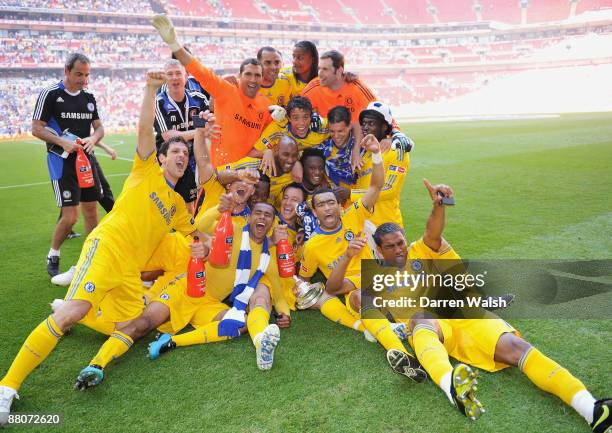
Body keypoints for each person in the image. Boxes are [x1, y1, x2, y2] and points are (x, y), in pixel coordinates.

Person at [0, 71, 200, 423]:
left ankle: (87, 309)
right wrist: (150, 89)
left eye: (186, 153)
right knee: (69, 315)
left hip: (129, 273)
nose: (182, 157)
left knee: (130, 327)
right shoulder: (144, 171)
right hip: (107, 247)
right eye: (176, 152)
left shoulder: (177, 206)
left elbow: (195, 234)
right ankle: (7, 387)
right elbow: (143, 132)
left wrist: (209, 236)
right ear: (162, 158)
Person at [370, 184, 612, 431]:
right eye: (390, 246)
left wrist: (439, 205)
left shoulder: (419, 251)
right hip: (431, 328)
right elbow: (367, 315)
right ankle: (451, 388)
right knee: (421, 317)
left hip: (464, 314)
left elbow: (433, 232)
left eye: (400, 242)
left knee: (518, 348)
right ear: (379, 249)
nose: (399, 249)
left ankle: (592, 410)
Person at [152, 14, 273, 167]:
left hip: (248, 171)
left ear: (262, 79)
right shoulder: (226, 91)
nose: (253, 79)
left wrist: (268, 150)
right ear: (239, 76)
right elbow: (200, 71)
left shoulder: (266, 104)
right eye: (248, 74)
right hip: (214, 170)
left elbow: (275, 132)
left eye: (257, 75)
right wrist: (174, 44)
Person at [31, 52, 105, 277]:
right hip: (61, 161)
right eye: (79, 74)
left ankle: (90, 258)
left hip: (85, 160)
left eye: (87, 75)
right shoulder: (50, 94)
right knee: (71, 216)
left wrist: (94, 139)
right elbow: (37, 128)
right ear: (66, 71)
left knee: (92, 211)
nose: (83, 80)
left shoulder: (89, 97)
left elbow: (100, 128)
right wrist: (62, 142)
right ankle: (53, 254)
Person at [154, 59, 210, 212]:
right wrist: (200, 130)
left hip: (193, 156)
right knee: (165, 203)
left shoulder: (198, 99)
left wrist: (206, 125)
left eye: (178, 73)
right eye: (170, 74)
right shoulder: (158, 102)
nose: (174, 77)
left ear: (186, 76)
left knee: (189, 206)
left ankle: (187, 235)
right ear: (165, 78)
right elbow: (169, 137)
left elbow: (210, 123)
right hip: (167, 158)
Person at [352, 101, 409, 228]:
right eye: (364, 123)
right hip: (363, 223)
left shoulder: (396, 150)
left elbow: (390, 190)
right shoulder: (364, 152)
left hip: (386, 225)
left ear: (384, 127)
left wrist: (351, 195)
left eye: (371, 123)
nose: (365, 127)